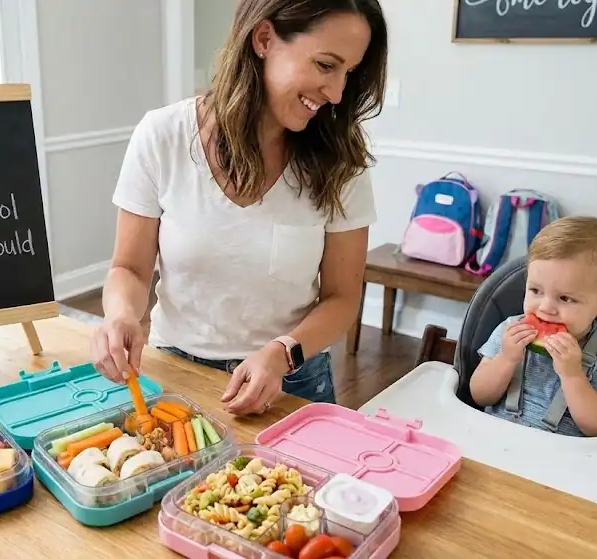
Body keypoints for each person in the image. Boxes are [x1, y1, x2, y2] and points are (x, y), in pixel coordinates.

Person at [89, 0, 389, 416]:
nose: (337, 93)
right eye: (325, 65)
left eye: (349, 73)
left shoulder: (341, 161)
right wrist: (120, 315)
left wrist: (282, 352)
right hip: (175, 375)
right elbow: (130, 269)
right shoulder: (164, 136)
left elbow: (341, 298)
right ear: (264, 39)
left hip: (292, 380)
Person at [469, 216, 597, 437]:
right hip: (492, 436)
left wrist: (573, 375)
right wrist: (506, 358)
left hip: (562, 458)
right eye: (536, 291)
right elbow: (479, 396)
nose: (546, 308)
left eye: (565, 298)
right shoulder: (509, 330)